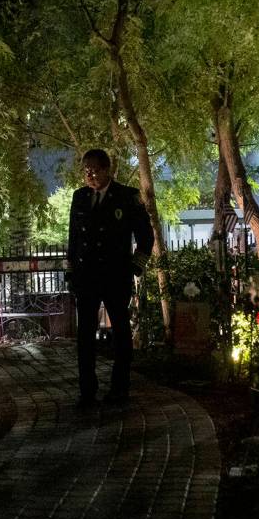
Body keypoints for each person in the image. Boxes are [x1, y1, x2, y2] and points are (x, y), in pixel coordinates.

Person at [66, 149, 154, 407]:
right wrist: (71, 271)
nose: (89, 175)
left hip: (115, 276)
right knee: (85, 336)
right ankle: (87, 389)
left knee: (121, 332)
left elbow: (146, 237)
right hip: (87, 277)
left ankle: (119, 387)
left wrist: (135, 267)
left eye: (94, 169)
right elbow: (74, 239)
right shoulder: (80, 197)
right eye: (86, 170)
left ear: (108, 170)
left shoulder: (127, 197)